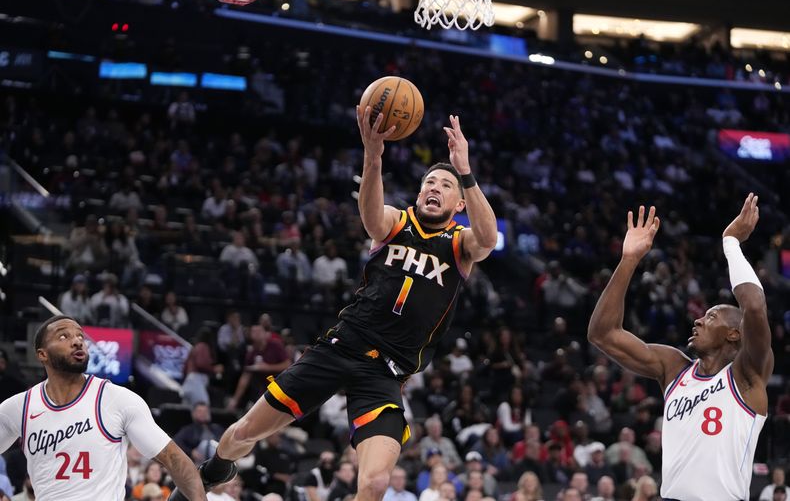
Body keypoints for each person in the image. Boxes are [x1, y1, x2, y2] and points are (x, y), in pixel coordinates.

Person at [170, 111, 497, 500]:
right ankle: (215, 468)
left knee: (375, 483)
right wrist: (373, 156)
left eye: (445, 185)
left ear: (459, 203)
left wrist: (465, 172)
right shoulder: (398, 221)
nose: (435, 187)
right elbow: (372, 219)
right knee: (244, 433)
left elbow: (489, 238)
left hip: (385, 373)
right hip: (341, 346)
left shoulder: (461, 245)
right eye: (430, 181)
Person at [587, 196, 772, 501]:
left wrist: (730, 242)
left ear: (734, 335)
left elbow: (753, 305)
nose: (698, 320)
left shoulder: (747, 375)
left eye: (711, 317)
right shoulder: (673, 367)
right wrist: (629, 260)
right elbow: (602, 334)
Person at [0, 315, 206, 500]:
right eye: (63, 336)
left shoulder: (117, 400)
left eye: (80, 336)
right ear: (42, 355)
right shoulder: (20, 407)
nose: (77, 341)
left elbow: (174, 459)